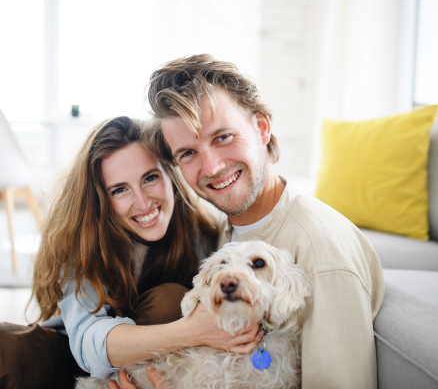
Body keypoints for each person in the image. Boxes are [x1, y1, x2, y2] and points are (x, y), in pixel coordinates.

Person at [0, 116, 262, 389]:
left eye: (149, 178)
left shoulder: (207, 234)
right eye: (119, 189)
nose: (143, 203)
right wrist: (191, 331)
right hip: (75, 360)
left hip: (158, 371)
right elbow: (86, 345)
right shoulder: (86, 240)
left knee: (171, 300)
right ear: (102, 199)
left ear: (170, 175)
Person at [141, 54, 386, 389]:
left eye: (223, 137)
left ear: (261, 128)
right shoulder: (229, 229)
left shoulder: (321, 251)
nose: (211, 167)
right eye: (188, 153)